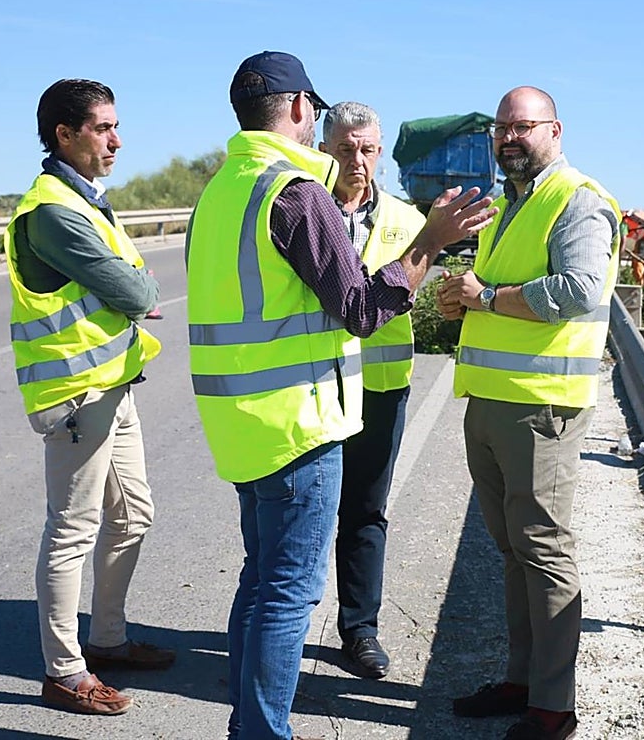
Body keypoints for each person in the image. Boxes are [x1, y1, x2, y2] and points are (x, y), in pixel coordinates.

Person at [184, 50, 496, 740]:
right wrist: (430, 241)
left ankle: (247, 725)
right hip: (297, 422)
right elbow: (360, 308)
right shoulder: (294, 192)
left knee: (261, 580)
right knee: (289, 593)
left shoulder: (220, 190)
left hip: (239, 419)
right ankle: (262, 733)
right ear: (301, 108)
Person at [437, 86, 620, 740]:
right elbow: (491, 292)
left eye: (523, 126)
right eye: (502, 128)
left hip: (542, 408)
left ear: (555, 130)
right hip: (492, 402)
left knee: (542, 551)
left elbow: (578, 290)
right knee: (514, 550)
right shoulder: (510, 203)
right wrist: (461, 300)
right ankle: (522, 681)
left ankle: (553, 706)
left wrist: (484, 298)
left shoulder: (577, 200)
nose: (509, 137)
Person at [4, 79, 174, 717]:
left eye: (115, 126)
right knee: (71, 529)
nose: (116, 140)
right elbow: (137, 292)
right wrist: (137, 287)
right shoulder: (53, 211)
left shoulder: (86, 201)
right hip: (77, 395)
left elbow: (136, 285)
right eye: (103, 128)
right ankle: (65, 672)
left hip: (113, 386)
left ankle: (107, 638)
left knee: (134, 516)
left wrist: (136, 285)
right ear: (64, 134)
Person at [317, 101, 426, 680]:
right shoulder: (305, 209)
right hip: (314, 386)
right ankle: (284, 623)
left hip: (380, 388)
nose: (357, 160)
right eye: (345, 149)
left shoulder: (409, 220)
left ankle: (359, 630)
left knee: (365, 510)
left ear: (380, 152)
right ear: (324, 150)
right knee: (309, 509)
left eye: (366, 149)